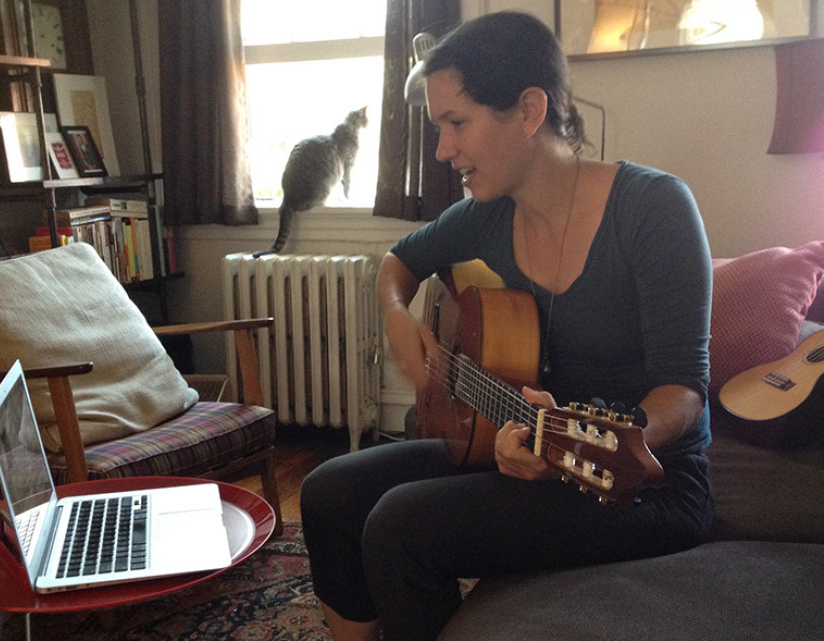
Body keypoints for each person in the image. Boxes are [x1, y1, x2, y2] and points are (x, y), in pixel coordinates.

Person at [300, 11, 714, 641]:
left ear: (528, 110)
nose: (442, 150)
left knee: (399, 526)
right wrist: (395, 315)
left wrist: (586, 441)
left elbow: (683, 389)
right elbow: (397, 262)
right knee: (327, 492)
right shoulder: (486, 215)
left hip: (640, 482)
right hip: (525, 442)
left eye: (456, 123)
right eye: (438, 127)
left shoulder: (653, 209)